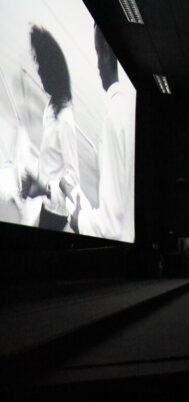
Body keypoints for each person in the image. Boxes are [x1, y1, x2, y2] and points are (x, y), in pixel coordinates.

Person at [67, 26, 135, 242]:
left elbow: (110, 226)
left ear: (106, 51)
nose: (97, 65)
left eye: (98, 53)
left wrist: (79, 219)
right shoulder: (129, 110)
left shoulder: (113, 117)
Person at [20, 26, 79, 232]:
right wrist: (35, 181)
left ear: (52, 69)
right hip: (46, 203)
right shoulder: (51, 105)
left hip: (56, 212)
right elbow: (51, 164)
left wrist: (43, 189)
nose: (38, 71)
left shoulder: (65, 119)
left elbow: (72, 180)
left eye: (41, 65)